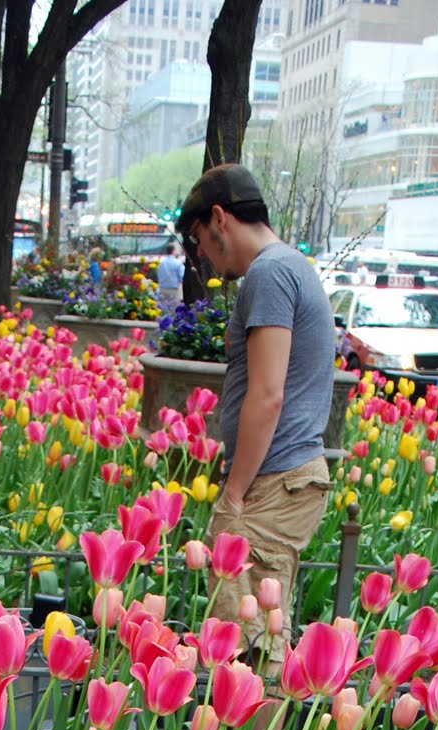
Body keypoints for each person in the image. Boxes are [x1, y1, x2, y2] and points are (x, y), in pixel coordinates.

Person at [176, 162, 334, 660]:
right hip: (286, 477)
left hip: (273, 481)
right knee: (255, 636)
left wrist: (234, 495)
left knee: (247, 646)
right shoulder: (288, 267)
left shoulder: (269, 274)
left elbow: (267, 396)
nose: (200, 253)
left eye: (198, 237)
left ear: (220, 218)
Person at [156, 243, 184, 309]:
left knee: (163, 310)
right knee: (174, 310)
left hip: (162, 289)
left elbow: (158, 274)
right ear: (173, 251)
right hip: (174, 289)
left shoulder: (161, 263)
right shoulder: (178, 263)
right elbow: (181, 276)